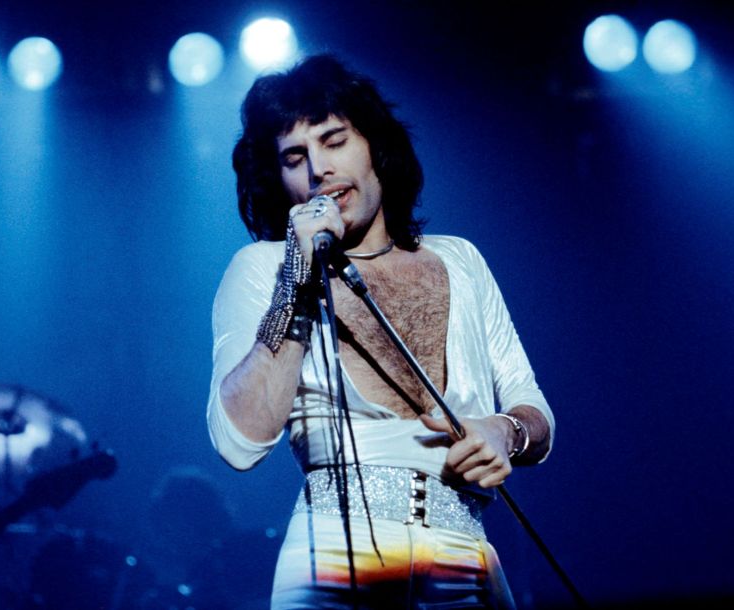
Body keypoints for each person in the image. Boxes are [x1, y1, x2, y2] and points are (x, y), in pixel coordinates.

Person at [207, 55, 554, 609]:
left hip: (464, 549)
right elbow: (240, 442)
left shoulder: (460, 260)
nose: (318, 169)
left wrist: (504, 431)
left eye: (334, 140)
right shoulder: (264, 268)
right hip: (331, 555)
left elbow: (533, 411)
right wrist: (296, 281)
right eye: (295, 157)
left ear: (374, 145)